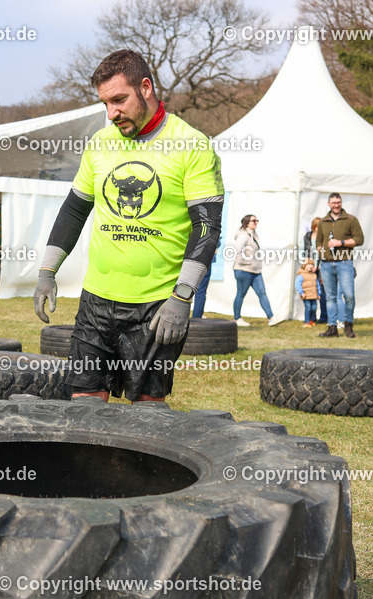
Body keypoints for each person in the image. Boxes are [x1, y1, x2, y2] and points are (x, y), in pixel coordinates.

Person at [33, 49, 223, 402]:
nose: (111, 113)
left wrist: (183, 297)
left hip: (157, 306)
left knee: (146, 419)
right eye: (105, 103)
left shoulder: (193, 145)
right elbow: (74, 210)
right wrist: (47, 271)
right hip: (96, 302)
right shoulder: (101, 144)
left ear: (146, 87)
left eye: (119, 100)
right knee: (84, 410)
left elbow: (207, 227)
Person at [316, 192, 364, 338]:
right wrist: (321, 251)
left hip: (344, 263)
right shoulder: (323, 221)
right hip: (326, 264)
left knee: (349, 295)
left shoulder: (351, 219)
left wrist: (341, 242)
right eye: (333, 202)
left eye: (338, 202)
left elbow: (359, 239)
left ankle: (348, 325)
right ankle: (332, 328)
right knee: (330, 297)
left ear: (341, 203)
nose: (336, 205)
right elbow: (318, 241)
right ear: (328, 204)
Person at [232, 215, 286, 327]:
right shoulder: (243, 235)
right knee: (241, 294)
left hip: (256, 271)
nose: (256, 222)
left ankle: (271, 317)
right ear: (247, 223)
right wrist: (245, 263)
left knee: (262, 293)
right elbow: (237, 250)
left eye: (257, 220)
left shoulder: (254, 235)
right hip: (243, 270)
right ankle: (237, 318)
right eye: (253, 220)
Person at [304, 217, 328, 323]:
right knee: (310, 291)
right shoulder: (307, 237)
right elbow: (302, 250)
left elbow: (324, 253)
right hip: (310, 267)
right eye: (318, 226)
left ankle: (324, 317)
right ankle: (311, 318)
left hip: (321, 267)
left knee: (323, 293)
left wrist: (318, 265)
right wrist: (307, 263)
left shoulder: (324, 237)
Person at [295, 258, 321, 328]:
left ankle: (311, 320)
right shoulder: (301, 275)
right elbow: (297, 284)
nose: (311, 266)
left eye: (312, 264)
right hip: (306, 295)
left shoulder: (314, 275)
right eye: (309, 264)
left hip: (313, 295)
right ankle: (307, 322)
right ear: (304, 265)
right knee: (308, 307)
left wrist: (319, 293)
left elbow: (317, 285)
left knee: (314, 308)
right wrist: (301, 292)